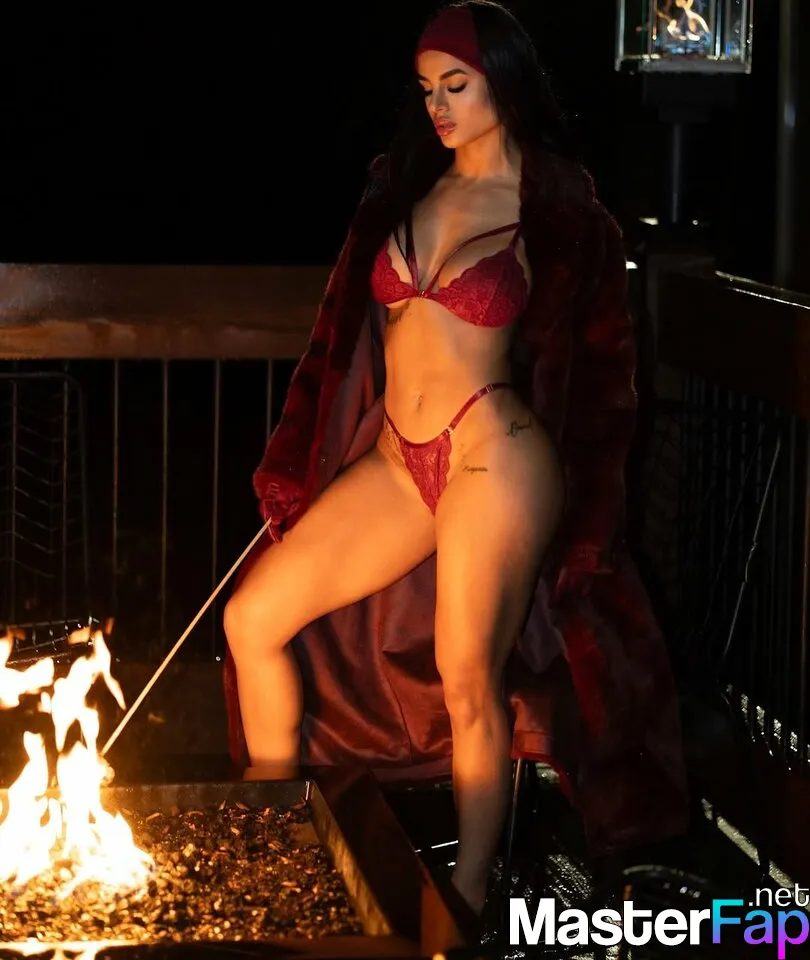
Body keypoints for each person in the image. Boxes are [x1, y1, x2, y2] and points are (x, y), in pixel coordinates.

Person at [223, 0, 688, 917]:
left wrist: (592, 523)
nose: (437, 105)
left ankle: (469, 897)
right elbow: (334, 342)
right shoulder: (402, 186)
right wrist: (297, 461)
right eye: (427, 88)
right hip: (399, 459)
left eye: (456, 85)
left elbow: (606, 379)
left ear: (502, 82)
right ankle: (276, 834)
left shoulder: (558, 207)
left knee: (467, 670)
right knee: (253, 618)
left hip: (494, 453)